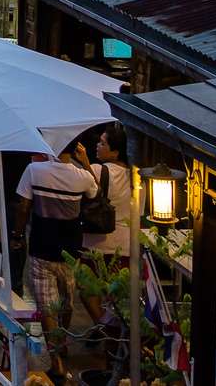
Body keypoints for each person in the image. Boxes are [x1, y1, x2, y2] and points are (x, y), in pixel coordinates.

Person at [14, 148, 98, 373]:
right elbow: (95, 193)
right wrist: (87, 162)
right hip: (70, 253)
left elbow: (23, 207)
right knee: (66, 303)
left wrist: (17, 234)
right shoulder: (83, 177)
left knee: (46, 307)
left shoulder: (34, 171)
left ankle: (55, 359)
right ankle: (61, 345)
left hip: (40, 248)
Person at [75, 125, 134, 324]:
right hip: (125, 244)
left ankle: (102, 325)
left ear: (115, 151)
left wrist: (84, 163)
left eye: (102, 143)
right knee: (116, 296)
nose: (97, 146)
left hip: (97, 241)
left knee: (87, 289)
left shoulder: (99, 170)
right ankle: (111, 330)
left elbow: (88, 190)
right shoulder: (135, 175)